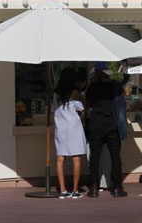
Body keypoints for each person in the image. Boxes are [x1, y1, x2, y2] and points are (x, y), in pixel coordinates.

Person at [85, 62, 128, 198]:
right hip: (112, 125)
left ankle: (93, 187)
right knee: (115, 157)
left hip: (96, 124)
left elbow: (88, 104)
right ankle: (116, 187)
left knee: (95, 157)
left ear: (98, 72)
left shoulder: (93, 86)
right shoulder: (116, 86)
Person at [51, 67, 86, 199]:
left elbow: (54, 111)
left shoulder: (56, 94)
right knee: (76, 158)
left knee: (60, 159)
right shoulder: (75, 92)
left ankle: (63, 190)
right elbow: (82, 110)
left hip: (61, 128)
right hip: (74, 128)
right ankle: (75, 190)